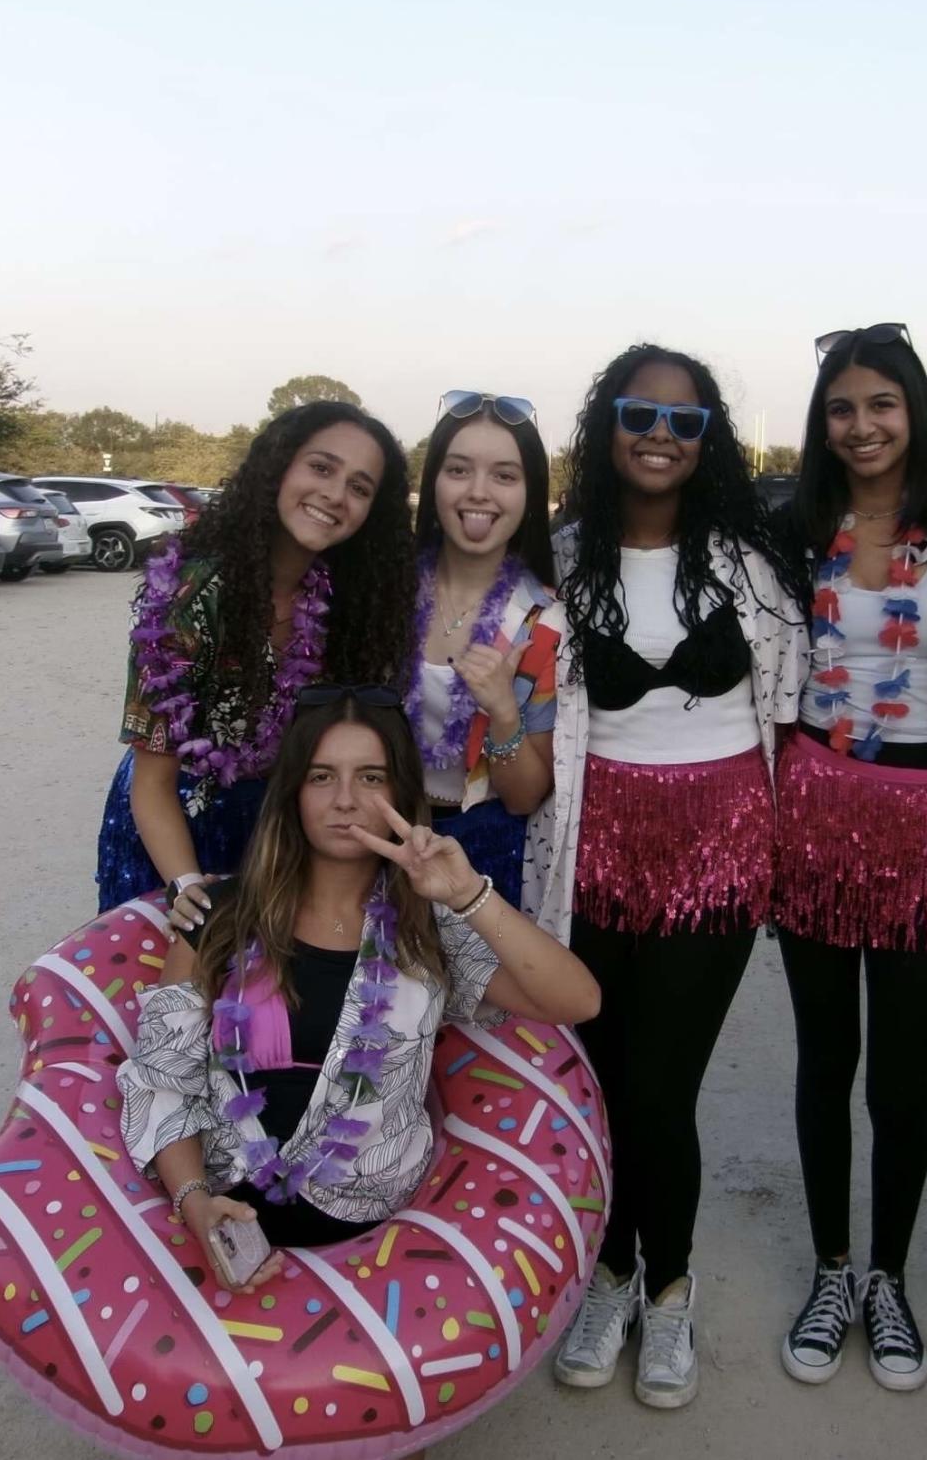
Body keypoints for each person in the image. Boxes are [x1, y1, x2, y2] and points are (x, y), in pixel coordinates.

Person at [537, 343, 810, 1408]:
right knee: (602, 1079)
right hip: (594, 842)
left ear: (709, 442)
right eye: (640, 412)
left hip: (719, 843)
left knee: (663, 1084)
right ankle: (610, 1277)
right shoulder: (559, 559)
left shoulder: (749, 568)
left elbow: (788, 712)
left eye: (685, 421)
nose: (660, 433)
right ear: (607, 424)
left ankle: (672, 1289)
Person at [117, 686, 600, 1273]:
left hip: (383, 1246)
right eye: (322, 777)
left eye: (370, 778)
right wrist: (195, 1203)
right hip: (226, 1219)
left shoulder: (430, 927)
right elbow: (164, 1079)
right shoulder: (218, 916)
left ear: (400, 790)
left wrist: (468, 894)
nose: (345, 800)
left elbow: (578, 1000)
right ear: (292, 791)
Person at [770, 324, 927, 1393]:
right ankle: (831, 1268)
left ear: (916, 413)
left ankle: (888, 1279)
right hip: (813, 813)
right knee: (824, 1062)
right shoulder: (792, 527)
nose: (862, 426)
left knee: (901, 1079)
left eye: (881, 405)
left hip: (920, 821)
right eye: (842, 407)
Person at [97, 402, 416, 914]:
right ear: (279, 466)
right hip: (171, 834)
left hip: (274, 836)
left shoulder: (351, 606)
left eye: (359, 487)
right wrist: (187, 888)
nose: (335, 495)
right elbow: (152, 780)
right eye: (321, 467)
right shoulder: (190, 595)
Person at [404, 390, 564, 909]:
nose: (479, 492)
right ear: (432, 484)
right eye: (458, 470)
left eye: (504, 475)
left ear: (530, 492)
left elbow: (522, 798)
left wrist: (502, 711)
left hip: (479, 860)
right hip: (375, 841)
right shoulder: (384, 596)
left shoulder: (544, 622)